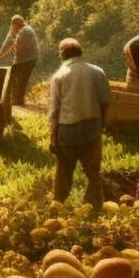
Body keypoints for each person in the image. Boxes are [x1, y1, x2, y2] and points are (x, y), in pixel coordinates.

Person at [47, 38, 111, 205]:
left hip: (67, 131)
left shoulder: (59, 76)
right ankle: (94, 205)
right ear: (80, 53)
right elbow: (105, 102)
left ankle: (58, 204)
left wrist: (53, 137)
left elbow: (54, 111)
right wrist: (101, 126)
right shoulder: (97, 71)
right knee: (93, 172)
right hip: (92, 127)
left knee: (63, 171)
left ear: (62, 55)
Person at [0, 14, 39, 107]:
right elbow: (6, 43)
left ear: (18, 24)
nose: (12, 27)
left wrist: (13, 48)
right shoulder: (15, 29)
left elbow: (18, 47)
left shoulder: (26, 30)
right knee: (11, 76)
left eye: (14, 25)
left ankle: (18, 102)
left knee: (22, 80)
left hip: (30, 59)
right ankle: (11, 99)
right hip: (21, 59)